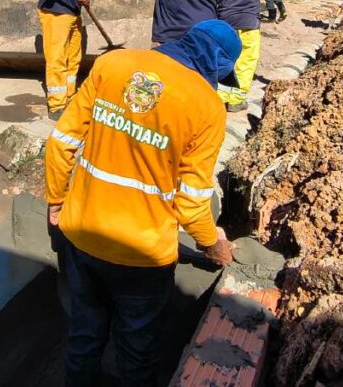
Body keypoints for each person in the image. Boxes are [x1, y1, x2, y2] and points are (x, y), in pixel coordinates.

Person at [45, 20, 238, 385]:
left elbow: (61, 142)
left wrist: (57, 200)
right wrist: (213, 244)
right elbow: (192, 202)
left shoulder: (113, 64)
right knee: (137, 352)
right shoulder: (208, 107)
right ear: (217, 65)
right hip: (143, 256)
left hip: (82, 235)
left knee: (84, 336)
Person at [216, 0, 279, 113]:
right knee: (246, 58)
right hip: (249, 19)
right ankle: (236, 100)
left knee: (224, 57)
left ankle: (220, 98)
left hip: (224, 19)